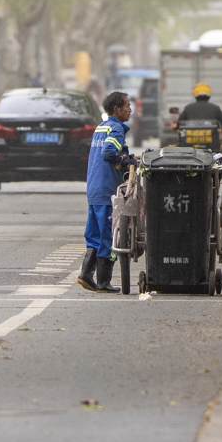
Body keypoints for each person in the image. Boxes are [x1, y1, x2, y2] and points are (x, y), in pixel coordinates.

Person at [79, 91, 137, 293]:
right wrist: (127, 162)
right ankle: (103, 282)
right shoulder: (116, 128)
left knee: (94, 234)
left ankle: (86, 275)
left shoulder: (101, 127)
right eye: (127, 105)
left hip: (94, 189)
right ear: (117, 109)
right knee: (109, 235)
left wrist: (128, 158)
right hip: (107, 191)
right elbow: (108, 152)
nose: (130, 110)